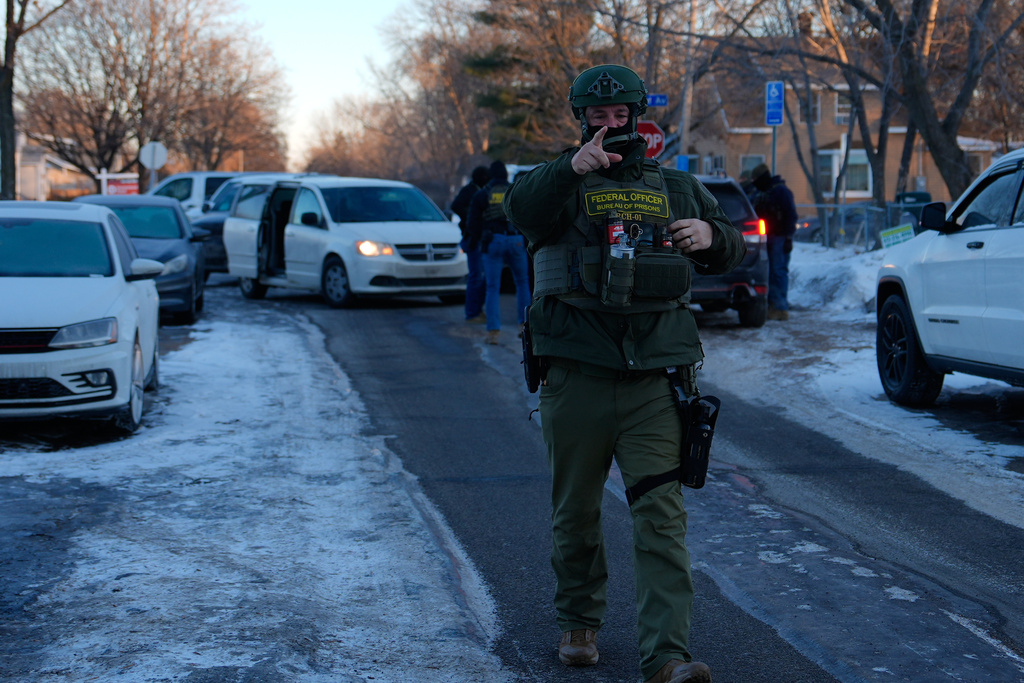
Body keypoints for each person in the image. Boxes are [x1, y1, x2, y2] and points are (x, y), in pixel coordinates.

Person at [503, 65, 744, 683]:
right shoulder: (555, 183)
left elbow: (732, 244)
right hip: (576, 376)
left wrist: (710, 235)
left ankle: (666, 658)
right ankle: (578, 623)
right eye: (597, 116)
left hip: (655, 383)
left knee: (661, 519)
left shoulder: (677, 187)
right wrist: (571, 169)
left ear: (637, 118)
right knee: (576, 512)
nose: (609, 126)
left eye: (619, 116)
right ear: (579, 118)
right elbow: (521, 212)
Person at [467, 160, 531, 345]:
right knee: (522, 283)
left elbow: (472, 223)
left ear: (490, 176)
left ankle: (493, 332)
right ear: (505, 174)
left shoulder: (482, 194)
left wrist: (482, 237)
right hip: (516, 240)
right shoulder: (515, 191)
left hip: (493, 241)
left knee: (492, 287)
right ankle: (524, 326)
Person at [749, 163, 798, 320]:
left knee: (777, 271)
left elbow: (791, 215)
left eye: (756, 179)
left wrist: (788, 237)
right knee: (768, 272)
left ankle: (780, 308)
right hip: (763, 237)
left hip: (779, 237)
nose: (754, 182)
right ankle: (772, 305)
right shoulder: (759, 192)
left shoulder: (781, 191)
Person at [450, 165, 490, 322]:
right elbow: (456, 205)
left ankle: (476, 310)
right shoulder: (470, 191)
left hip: (479, 237)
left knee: (481, 277)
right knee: (476, 276)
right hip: (472, 238)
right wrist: (471, 218)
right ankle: (472, 312)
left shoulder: (480, 190)